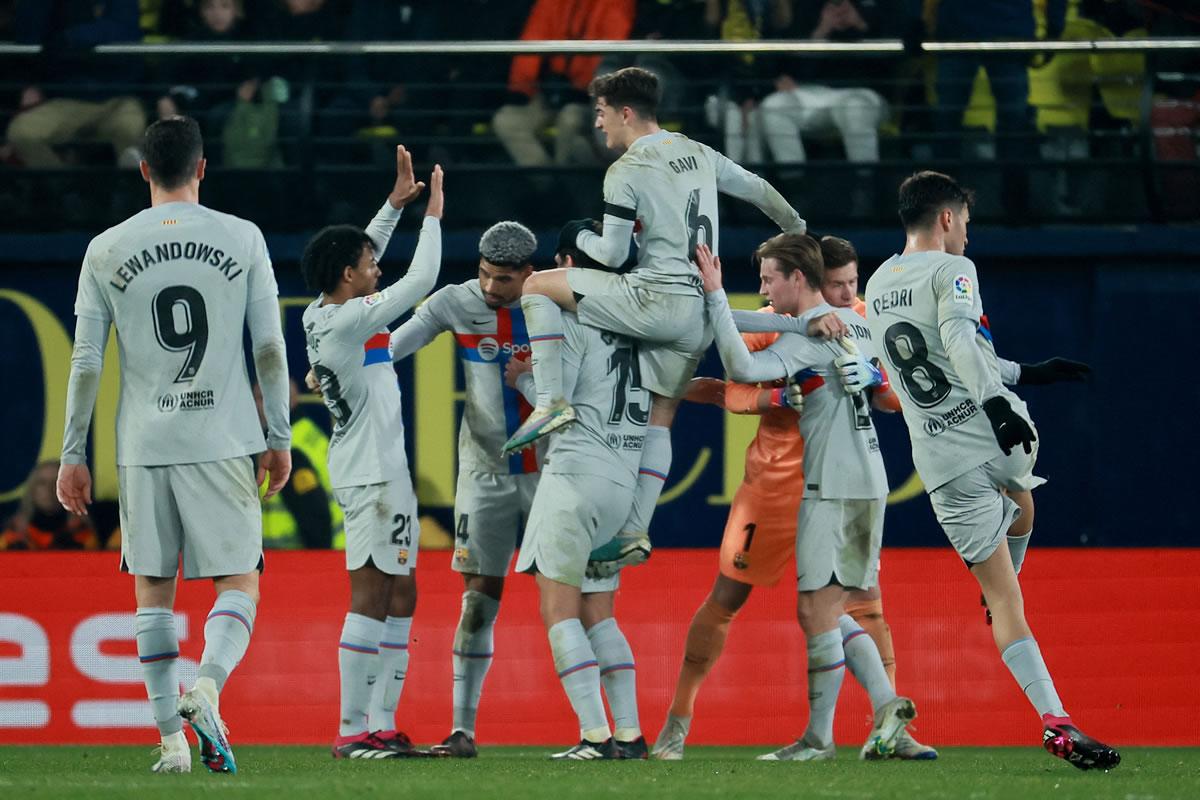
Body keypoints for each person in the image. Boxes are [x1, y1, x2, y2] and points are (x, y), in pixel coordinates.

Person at [55, 115, 292, 775]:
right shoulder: (241, 237)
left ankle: (170, 745)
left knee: (153, 593)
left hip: (142, 442)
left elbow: (84, 362)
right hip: (222, 435)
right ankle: (208, 687)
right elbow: (269, 347)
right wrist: (278, 436)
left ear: (143, 172)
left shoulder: (106, 247)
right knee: (238, 579)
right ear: (203, 167)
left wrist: (74, 453)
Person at [863, 170, 1118, 771]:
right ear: (947, 218)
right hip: (990, 437)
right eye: (967, 224)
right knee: (1021, 503)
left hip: (940, 461)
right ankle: (1055, 720)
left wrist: (1027, 372)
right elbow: (955, 336)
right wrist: (1003, 404)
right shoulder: (954, 270)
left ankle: (1054, 721)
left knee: (1009, 581)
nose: (969, 238)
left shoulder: (876, 286)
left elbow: (944, 357)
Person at [505, 66, 806, 559]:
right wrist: (796, 226)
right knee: (660, 419)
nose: (597, 124)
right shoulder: (696, 151)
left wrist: (573, 233)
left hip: (654, 300)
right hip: (700, 313)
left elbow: (609, 254)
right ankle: (634, 532)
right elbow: (755, 187)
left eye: (601, 114)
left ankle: (551, 401)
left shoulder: (625, 170)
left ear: (625, 112)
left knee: (536, 286)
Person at [654, 235, 936, 761]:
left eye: (767, 278)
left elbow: (740, 371)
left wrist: (716, 294)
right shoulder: (854, 324)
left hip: (827, 484)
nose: (762, 287)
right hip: (862, 479)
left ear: (797, 278)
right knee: (830, 609)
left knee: (822, 610)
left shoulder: (817, 335)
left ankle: (823, 738)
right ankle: (885, 708)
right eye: (841, 283)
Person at [300, 145, 443, 759]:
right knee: (371, 594)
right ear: (348, 278)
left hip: (385, 471)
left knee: (401, 591)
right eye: (367, 264)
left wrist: (391, 207)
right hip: (371, 477)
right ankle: (352, 729)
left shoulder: (324, 313)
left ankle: (381, 723)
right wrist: (432, 216)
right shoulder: (345, 322)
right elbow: (420, 279)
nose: (376, 268)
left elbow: (366, 258)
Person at [382, 220, 543, 757]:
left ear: (528, 273)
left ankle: (605, 731)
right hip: (484, 468)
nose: (491, 288)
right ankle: (462, 730)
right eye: (484, 275)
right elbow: (396, 342)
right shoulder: (457, 302)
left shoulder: (559, 303)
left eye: (503, 279)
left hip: (552, 469)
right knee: (477, 601)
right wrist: (352, 360)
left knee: (575, 596)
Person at [510, 247, 652, 760]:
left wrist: (523, 381)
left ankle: (595, 736)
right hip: (622, 481)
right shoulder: (642, 329)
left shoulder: (572, 318)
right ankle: (631, 734)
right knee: (600, 613)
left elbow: (559, 398)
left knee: (558, 610)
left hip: (574, 474)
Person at [253, 379, 340, 550]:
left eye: (262, 398)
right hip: (327, 557)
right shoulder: (307, 432)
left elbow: (315, 518)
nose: (256, 406)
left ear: (289, 401)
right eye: (256, 398)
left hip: (302, 560)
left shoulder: (289, 449)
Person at [1, 460, 98, 551]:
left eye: (56, 482)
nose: (49, 489)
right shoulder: (13, 536)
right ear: (32, 490)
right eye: (42, 483)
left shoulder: (82, 536)